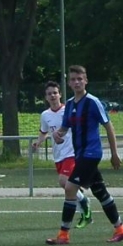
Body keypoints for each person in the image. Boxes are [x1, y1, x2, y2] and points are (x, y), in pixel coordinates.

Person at [46, 65, 123, 245]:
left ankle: (63, 235)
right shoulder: (69, 104)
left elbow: (108, 126)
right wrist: (58, 135)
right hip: (80, 154)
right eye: (73, 79)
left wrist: (114, 154)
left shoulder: (93, 102)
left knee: (69, 188)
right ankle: (121, 229)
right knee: (100, 192)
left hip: (91, 154)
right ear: (69, 83)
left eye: (80, 79)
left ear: (86, 81)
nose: (76, 82)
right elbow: (64, 128)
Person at [32, 81, 92, 229]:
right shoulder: (45, 115)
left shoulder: (68, 110)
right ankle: (84, 208)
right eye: (49, 94)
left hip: (72, 153)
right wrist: (38, 142)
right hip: (58, 156)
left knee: (64, 182)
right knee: (68, 186)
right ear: (46, 97)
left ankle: (83, 203)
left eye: (55, 93)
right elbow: (43, 132)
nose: (52, 96)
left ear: (60, 94)